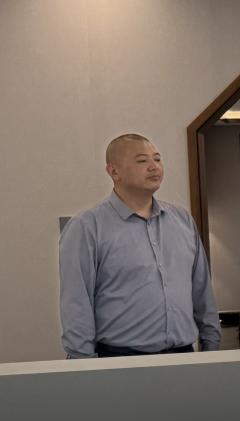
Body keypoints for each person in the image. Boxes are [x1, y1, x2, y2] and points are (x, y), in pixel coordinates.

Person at [58, 133, 220, 358]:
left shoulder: (182, 220)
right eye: (142, 161)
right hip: (118, 359)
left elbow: (201, 289)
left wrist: (212, 347)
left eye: (157, 159)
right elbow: (76, 303)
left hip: (183, 355)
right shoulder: (87, 227)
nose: (154, 167)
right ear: (114, 171)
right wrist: (85, 366)